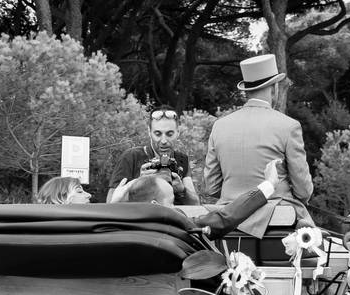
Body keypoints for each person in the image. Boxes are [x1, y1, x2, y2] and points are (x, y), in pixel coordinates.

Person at [204, 54, 314, 238]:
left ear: (247, 89)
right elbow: (303, 190)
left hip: (228, 220)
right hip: (277, 220)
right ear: (274, 87)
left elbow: (211, 188)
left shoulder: (220, 126)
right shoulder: (288, 126)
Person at [113, 159, 282, 240]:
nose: (176, 208)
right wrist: (269, 184)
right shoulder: (172, 228)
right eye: (171, 202)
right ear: (155, 206)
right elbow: (224, 219)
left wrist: (114, 204)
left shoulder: (117, 232)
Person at [107, 106, 199, 205]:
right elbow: (110, 202)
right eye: (158, 134)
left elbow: (195, 204)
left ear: (178, 133)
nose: (164, 141)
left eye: (169, 134)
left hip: (171, 217)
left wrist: (182, 190)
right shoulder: (132, 157)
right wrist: (138, 182)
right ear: (149, 132)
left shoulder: (181, 160)